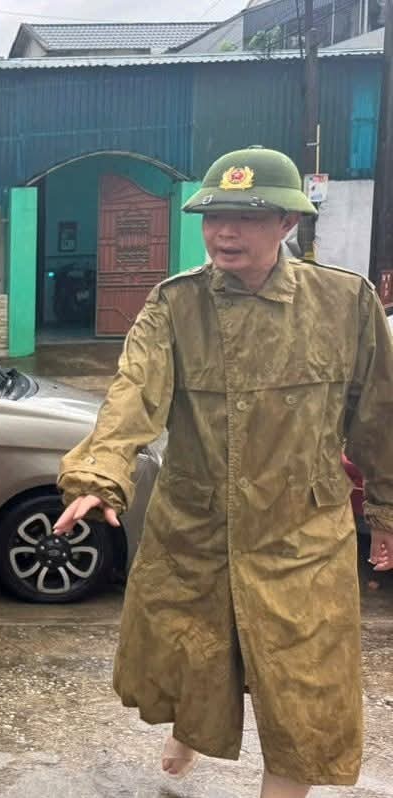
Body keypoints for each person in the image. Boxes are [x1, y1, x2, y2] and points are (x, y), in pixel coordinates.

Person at [52, 147, 393, 798]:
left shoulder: (343, 304)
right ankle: (192, 728)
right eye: (214, 216)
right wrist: (99, 475)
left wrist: (387, 516)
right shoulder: (175, 305)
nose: (224, 232)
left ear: (288, 225)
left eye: (246, 215)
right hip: (199, 529)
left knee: (306, 699)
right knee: (196, 653)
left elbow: (379, 418)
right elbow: (133, 395)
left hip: (304, 536)